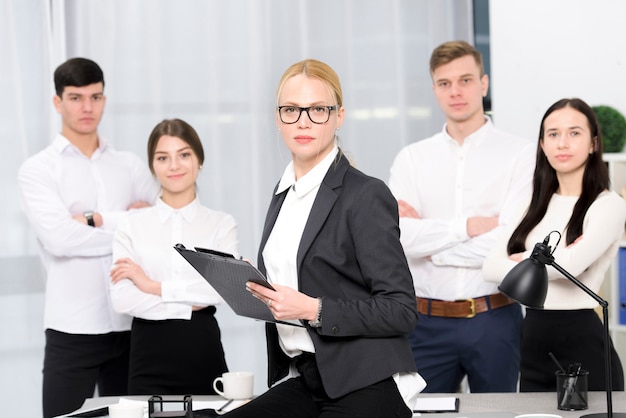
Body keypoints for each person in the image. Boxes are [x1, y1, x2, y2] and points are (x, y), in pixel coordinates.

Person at [224, 59, 424, 418]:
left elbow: (401, 309)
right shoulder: (284, 193)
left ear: (339, 116)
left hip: (365, 379)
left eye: (317, 109)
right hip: (309, 377)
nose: (303, 120)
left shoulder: (365, 194)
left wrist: (312, 309)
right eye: (291, 110)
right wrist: (256, 287)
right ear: (277, 117)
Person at [388, 40, 536, 393]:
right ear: (435, 89)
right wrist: (467, 227)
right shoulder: (411, 159)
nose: (455, 92)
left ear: (483, 84)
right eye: (444, 83)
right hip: (424, 323)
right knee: (420, 416)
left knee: (501, 417)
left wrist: (431, 244)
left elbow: (510, 244)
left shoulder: (521, 154)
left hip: (495, 319)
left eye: (465, 80)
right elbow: (399, 240)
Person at [17, 57, 159, 418]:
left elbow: (160, 229)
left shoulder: (129, 165)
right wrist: (131, 224)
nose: (87, 107)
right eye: (76, 97)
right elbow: (60, 240)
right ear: (57, 102)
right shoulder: (38, 170)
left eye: (95, 97)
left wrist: (96, 220)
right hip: (72, 329)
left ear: (104, 100)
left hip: (132, 325)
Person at [483, 98, 626, 392]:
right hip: (534, 336)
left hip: (583, 338)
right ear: (543, 145)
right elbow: (490, 267)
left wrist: (521, 260)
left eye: (574, 133)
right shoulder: (531, 205)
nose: (563, 143)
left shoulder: (608, 205)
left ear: (593, 144)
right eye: (553, 134)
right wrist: (544, 260)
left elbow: (571, 267)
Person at [110, 118, 238, 395]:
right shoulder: (131, 225)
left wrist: (150, 286)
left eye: (184, 155)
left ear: (199, 159)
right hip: (148, 356)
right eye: (163, 157)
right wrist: (188, 304)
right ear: (153, 166)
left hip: (203, 352)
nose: (174, 165)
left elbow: (222, 292)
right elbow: (122, 299)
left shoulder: (221, 224)